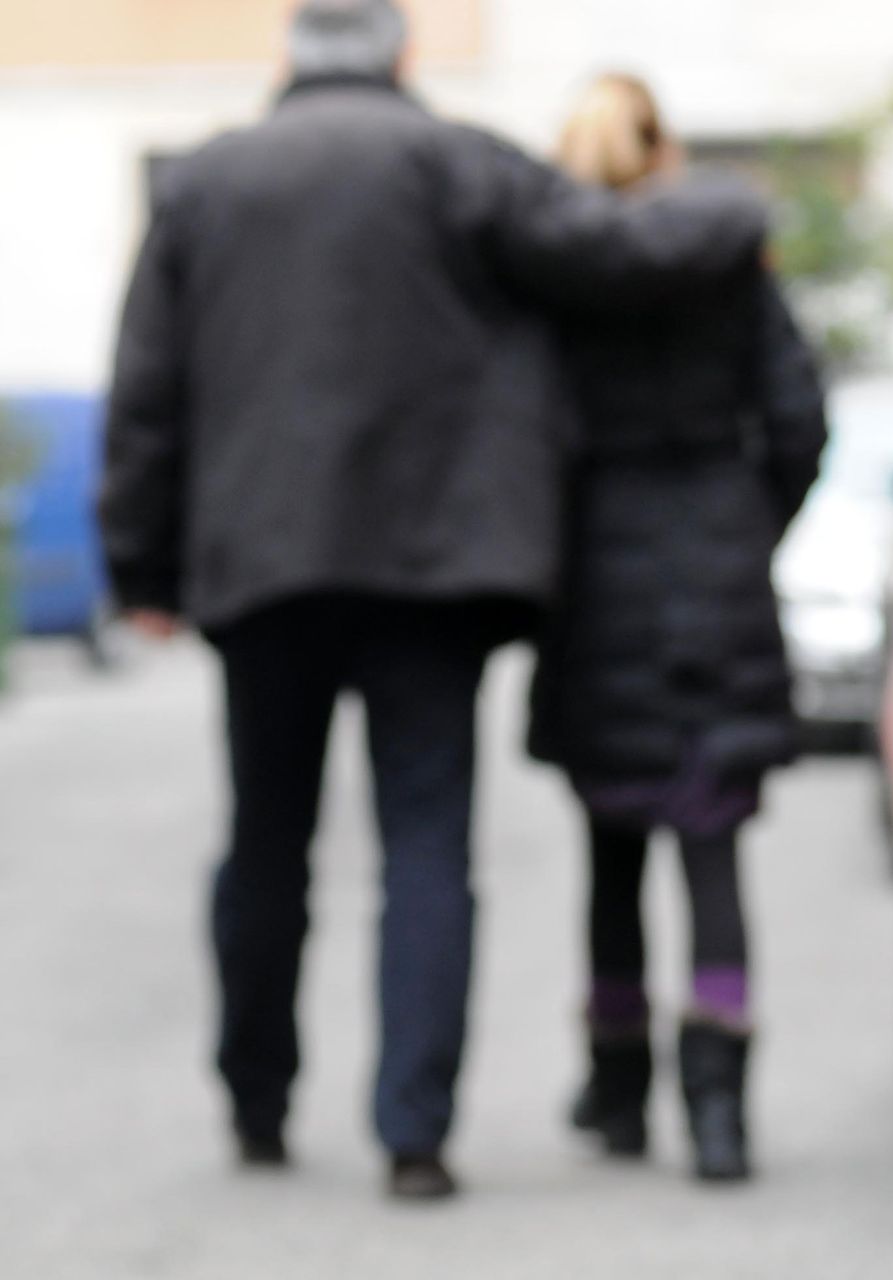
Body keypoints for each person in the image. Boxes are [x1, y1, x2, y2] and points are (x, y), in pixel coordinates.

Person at [98, 0, 768, 1201]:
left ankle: (257, 1100)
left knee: (265, 838)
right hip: (433, 573)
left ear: (288, 57)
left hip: (262, 568)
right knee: (424, 844)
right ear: (403, 54)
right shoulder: (460, 164)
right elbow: (624, 254)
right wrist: (742, 205)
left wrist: (140, 567)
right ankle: (414, 1134)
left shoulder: (205, 183)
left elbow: (148, 389)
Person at [526, 73, 827, 1182]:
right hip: (716, 563)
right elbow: (799, 418)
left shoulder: (555, 284)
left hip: (595, 575)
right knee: (710, 848)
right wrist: (750, 525)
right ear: (664, 150)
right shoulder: (731, 267)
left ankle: (616, 1094)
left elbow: (527, 434)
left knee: (609, 849)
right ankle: (719, 1113)